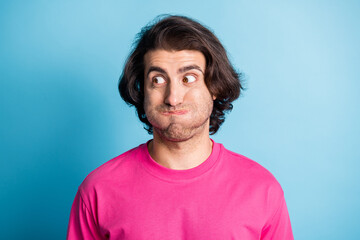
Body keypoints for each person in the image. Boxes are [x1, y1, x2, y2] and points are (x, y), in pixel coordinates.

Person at [66, 15, 294, 240]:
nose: (173, 98)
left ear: (214, 86)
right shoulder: (97, 192)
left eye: (189, 78)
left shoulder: (262, 190)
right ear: (142, 91)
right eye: (158, 80)